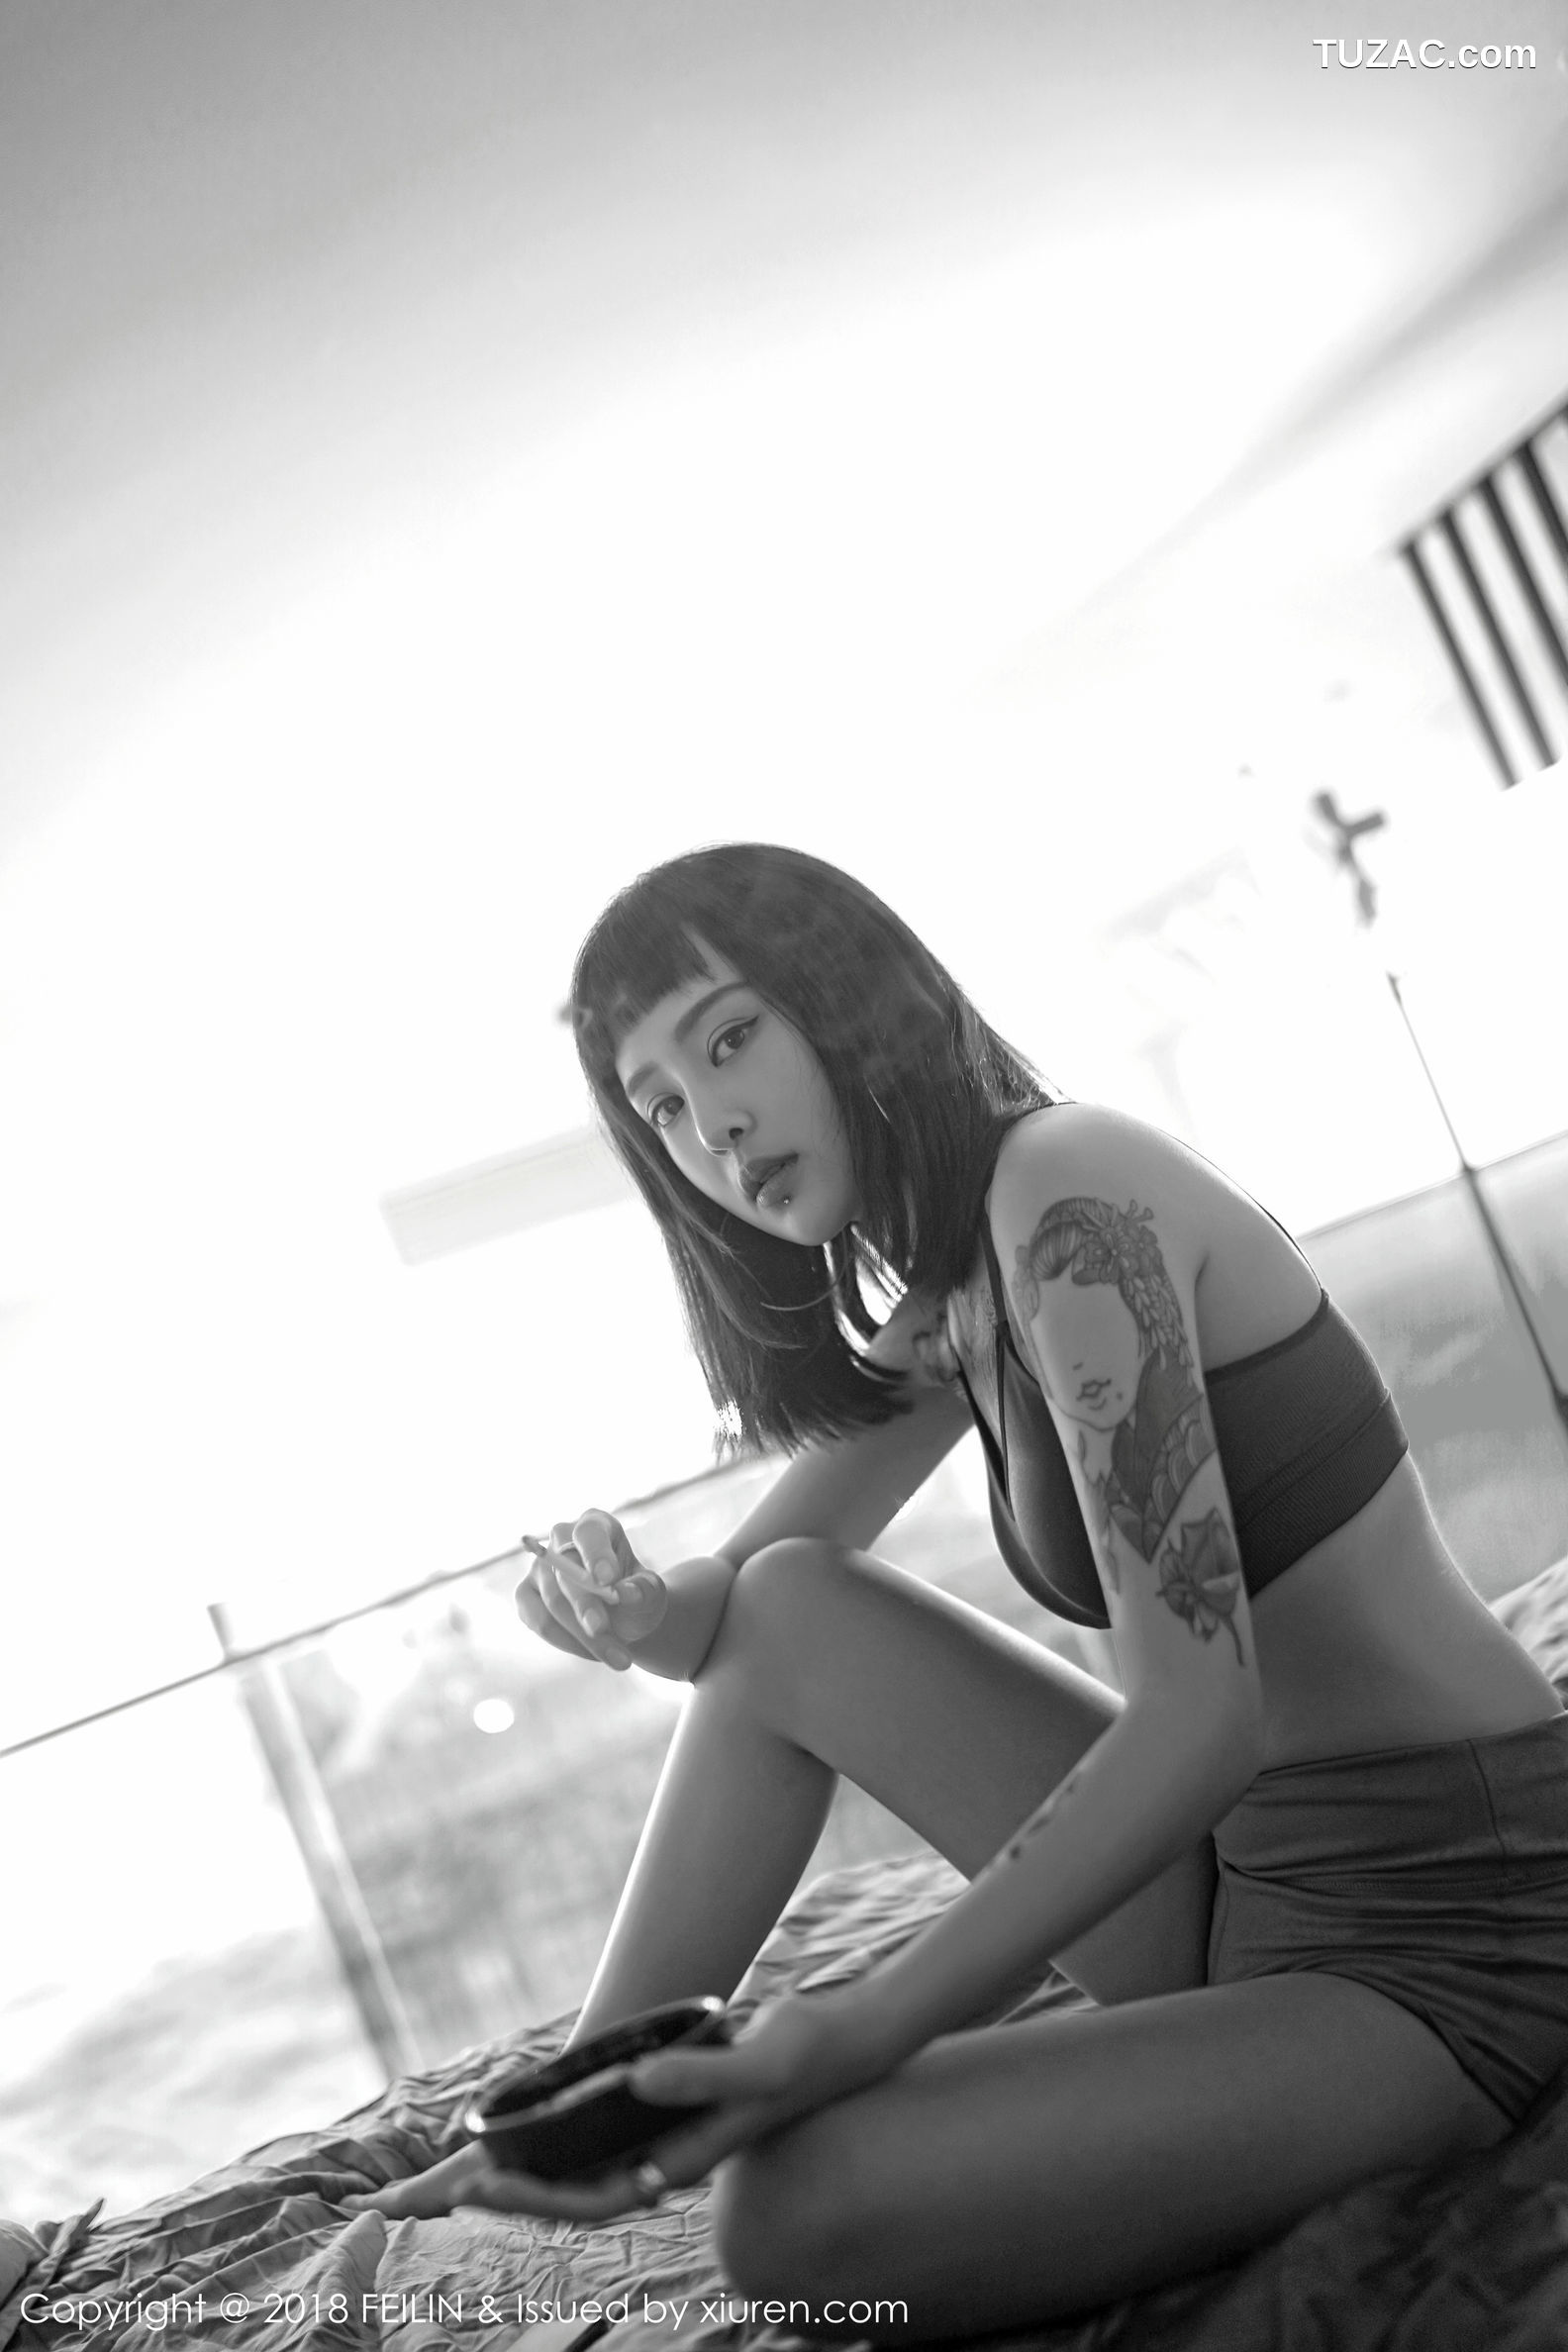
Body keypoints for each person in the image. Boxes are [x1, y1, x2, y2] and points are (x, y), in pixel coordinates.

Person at [351, 842, 1568, 2336]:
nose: (712, 1126)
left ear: (849, 997)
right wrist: (627, 1611)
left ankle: (615, 2111)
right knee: (793, 1600)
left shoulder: (1070, 1198)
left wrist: (856, 2033)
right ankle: (573, 2111)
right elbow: (743, 1619)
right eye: (660, 1106)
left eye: (730, 1041)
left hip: (1457, 1921)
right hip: (1250, 1885)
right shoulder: (960, 1282)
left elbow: (1202, 1720)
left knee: (791, 2207)